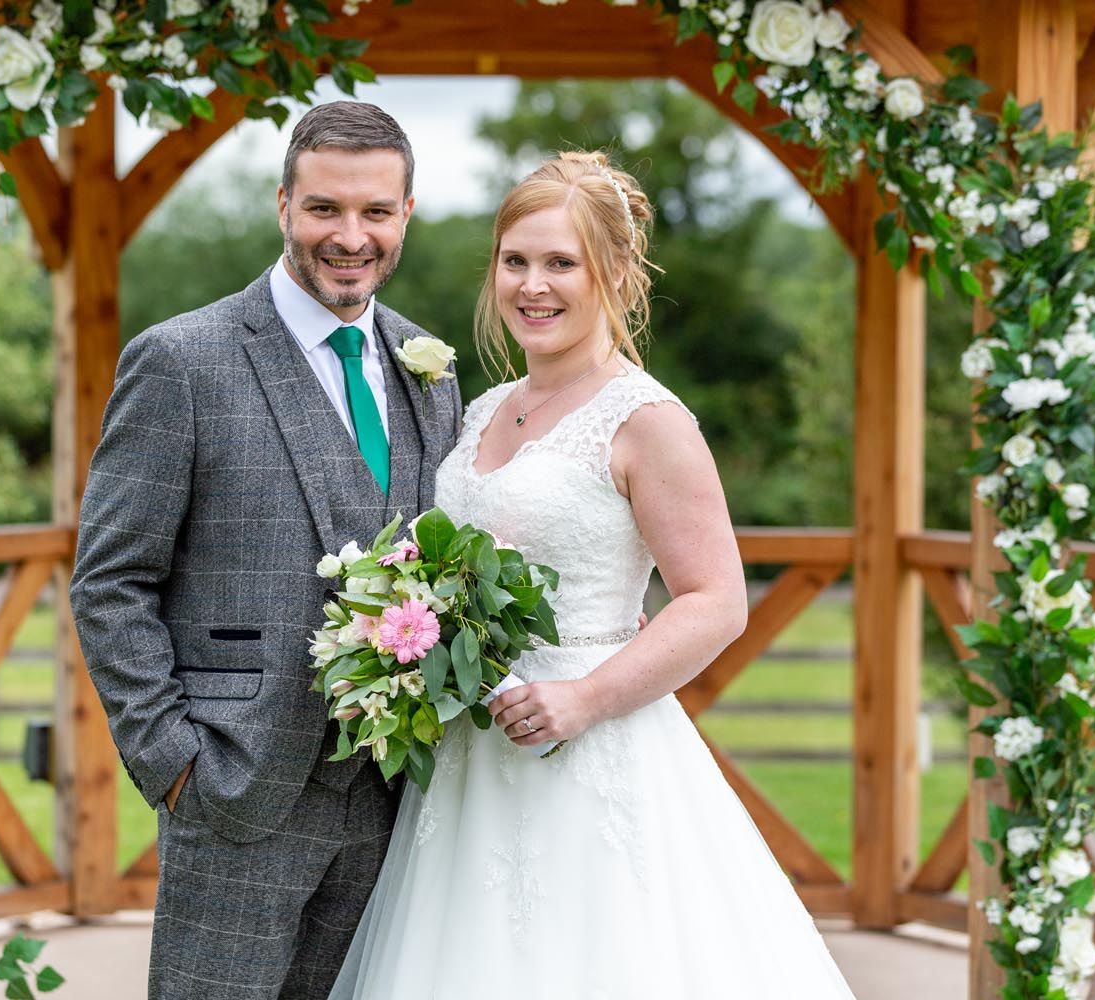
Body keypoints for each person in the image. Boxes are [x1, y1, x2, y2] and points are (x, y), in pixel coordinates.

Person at [327, 152, 858, 998]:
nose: (532, 286)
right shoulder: (482, 410)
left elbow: (717, 602)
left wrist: (585, 697)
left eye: (560, 263)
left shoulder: (648, 422)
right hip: (471, 755)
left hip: (592, 746)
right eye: (515, 261)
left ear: (612, 271)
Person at [68, 101, 461, 1000]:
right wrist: (175, 764)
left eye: (375, 212)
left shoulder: (422, 364)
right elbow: (111, 582)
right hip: (236, 787)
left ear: (407, 214)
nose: (350, 235)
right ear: (283, 204)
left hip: (396, 801)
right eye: (324, 208)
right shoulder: (182, 361)